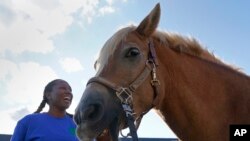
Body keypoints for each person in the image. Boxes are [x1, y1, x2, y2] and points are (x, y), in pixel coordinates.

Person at [11, 79, 79, 141]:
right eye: (63, 88)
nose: (68, 92)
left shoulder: (77, 125)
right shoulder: (28, 121)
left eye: (70, 90)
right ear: (48, 95)